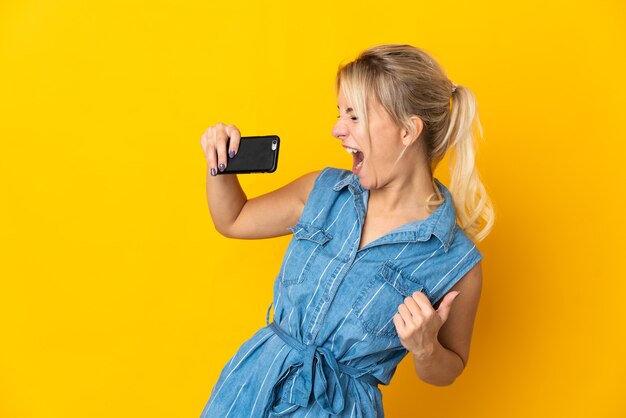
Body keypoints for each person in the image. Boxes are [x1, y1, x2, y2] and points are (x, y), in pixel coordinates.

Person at [198, 44, 494, 417]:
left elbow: (448, 369)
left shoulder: (456, 261)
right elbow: (234, 219)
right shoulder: (322, 192)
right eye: (340, 114)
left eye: (354, 117)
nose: (337, 130)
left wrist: (426, 347)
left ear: (408, 131)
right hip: (250, 391)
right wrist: (219, 163)